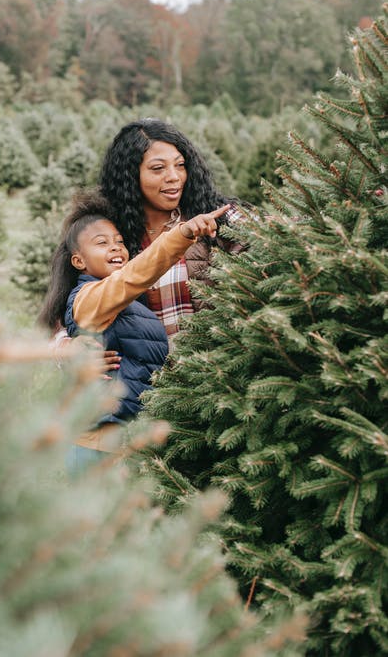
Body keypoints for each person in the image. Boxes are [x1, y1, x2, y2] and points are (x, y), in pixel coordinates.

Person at [39, 193, 228, 472]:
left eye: (119, 242)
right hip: (97, 443)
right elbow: (132, 278)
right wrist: (182, 233)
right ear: (78, 262)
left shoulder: (126, 305)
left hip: (126, 440)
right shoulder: (90, 298)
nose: (115, 248)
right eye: (102, 243)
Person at [98, 118, 244, 337]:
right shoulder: (107, 235)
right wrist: (69, 346)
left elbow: (274, 249)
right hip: (146, 371)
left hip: (213, 368)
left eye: (180, 165)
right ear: (130, 176)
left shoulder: (219, 217)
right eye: (158, 168)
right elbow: (71, 308)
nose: (174, 177)